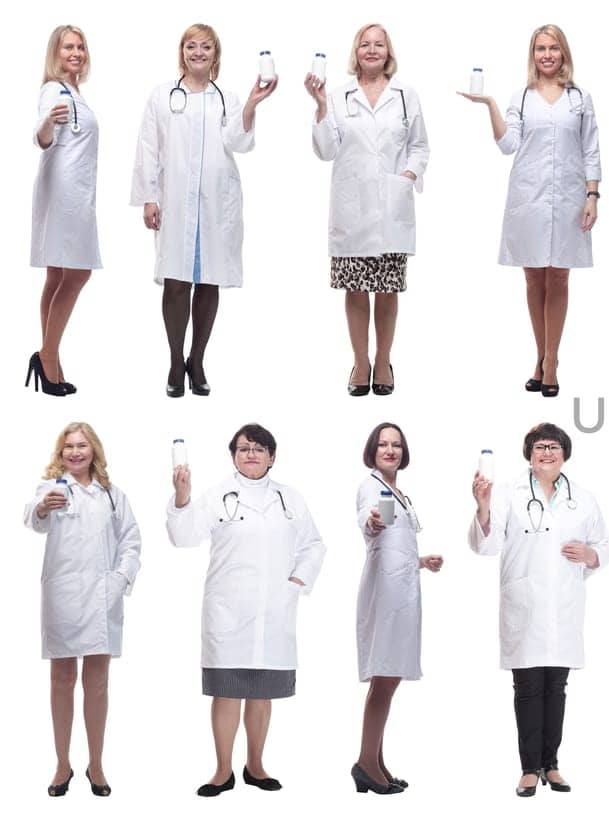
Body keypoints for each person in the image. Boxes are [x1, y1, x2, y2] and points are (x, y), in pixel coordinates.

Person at [168, 423, 327, 797]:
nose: (250, 454)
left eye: (258, 448)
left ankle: (255, 766)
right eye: (242, 448)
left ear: (272, 457)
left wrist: (297, 583)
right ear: (233, 456)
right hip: (228, 611)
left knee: (261, 693)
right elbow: (183, 537)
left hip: (275, 612)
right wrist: (181, 498)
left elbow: (314, 546)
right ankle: (222, 771)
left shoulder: (291, 499)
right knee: (226, 692)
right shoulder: (216, 495)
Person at [132, 23, 276, 398]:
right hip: (176, 202)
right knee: (176, 282)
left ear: (216, 54)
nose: (198, 53)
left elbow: (239, 143)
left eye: (206, 47)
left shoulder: (225, 98)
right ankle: (175, 360)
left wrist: (251, 104)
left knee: (209, 280)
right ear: (182, 51)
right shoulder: (162, 96)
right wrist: (149, 197)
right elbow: (149, 148)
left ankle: (197, 360)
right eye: (191, 46)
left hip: (215, 204)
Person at [469, 423, 609, 796]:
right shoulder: (507, 493)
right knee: (528, 687)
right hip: (525, 605)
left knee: (557, 688)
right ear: (528, 454)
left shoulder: (583, 498)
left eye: (553, 447)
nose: (546, 453)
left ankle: (553, 763)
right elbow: (486, 545)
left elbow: (605, 546)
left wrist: (591, 554)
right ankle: (530, 767)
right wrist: (482, 507)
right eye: (538, 447)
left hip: (564, 605)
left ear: (565, 453)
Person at [461, 24, 600, 397]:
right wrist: (489, 105)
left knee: (559, 279)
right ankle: (540, 357)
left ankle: (552, 362)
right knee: (534, 279)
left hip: (570, 198)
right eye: (540, 48)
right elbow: (508, 145)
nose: (547, 55)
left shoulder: (579, 99)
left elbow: (591, 150)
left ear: (564, 53)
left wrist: (592, 196)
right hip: (529, 200)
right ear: (533, 54)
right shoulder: (521, 97)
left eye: (554, 48)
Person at [308, 23, 429, 397]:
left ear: (388, 52)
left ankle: (383, 360)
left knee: (387, 290)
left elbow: (420, 146)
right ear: (356, 52)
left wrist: (408, 174)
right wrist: (321, 106)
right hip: (353, 209)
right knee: (356, 288)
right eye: (365, 44)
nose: (372, 50)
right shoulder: (340, 96)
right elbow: (325, 150)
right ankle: (361, 362)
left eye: (379, 44)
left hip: (392, 206)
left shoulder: (406, 96)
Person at [25, 422, 142, 797]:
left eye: (82, 445)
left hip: (101, 597)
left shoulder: (112, 495)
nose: (75, 452)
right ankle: (62, 763)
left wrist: (120, 579)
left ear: (95, 450)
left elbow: (132, 541)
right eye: (68, 447)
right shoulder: (52, 489)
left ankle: (97, 763)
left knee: (98, 682)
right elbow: (33, 520)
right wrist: (43, 506)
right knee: (61, 679)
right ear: (61, 454)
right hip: (62, 596)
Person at [351, 422, 443, 794]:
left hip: (402, 589)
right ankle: (365, 764)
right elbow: (373, 524)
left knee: (389, 678)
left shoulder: (397, 492)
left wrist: (421, 561)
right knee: (383, 678)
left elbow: (394, 543)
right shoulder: (371, 488)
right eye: (384, 444)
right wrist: (371, 520)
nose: (391, 450)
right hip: (386, 594)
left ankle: (376, 761)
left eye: (397, 445)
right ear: (372, 451)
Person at [29, 25, 99, 397]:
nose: (76, 52)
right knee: (78, 273)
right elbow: (43, 138)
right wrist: (45, 124)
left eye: (80, 46)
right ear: (55, 53)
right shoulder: (52, 90)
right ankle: (48, 356)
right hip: (65, 195)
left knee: (58, 275)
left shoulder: (74, 91)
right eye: (68, 47)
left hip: (74, 193)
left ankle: (50, 361)